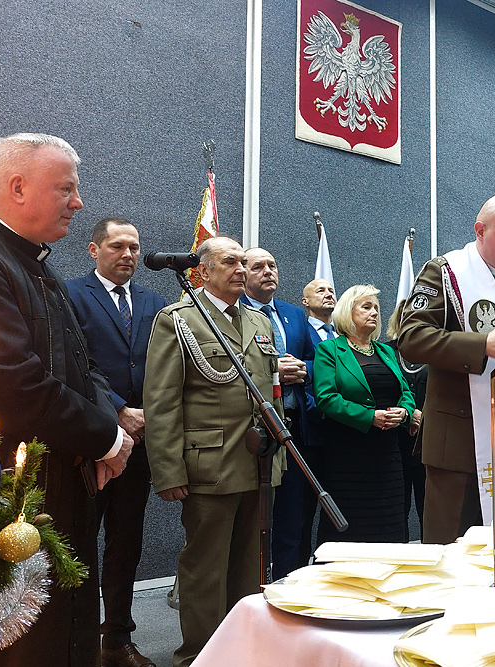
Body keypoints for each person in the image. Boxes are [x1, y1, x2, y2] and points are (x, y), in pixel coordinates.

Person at [0, 133, 133, 667]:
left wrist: (110, 423)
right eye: (66, 188)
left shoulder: (36, 263)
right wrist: (107, 439)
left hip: (60, 483)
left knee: (68, 628)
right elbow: (13, 385)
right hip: (11, 495)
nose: (78, 202)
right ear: (17, 187)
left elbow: (83, 367)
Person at [144, 236, 284, 667]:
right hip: (209, 464)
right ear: (202, 271)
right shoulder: (179, 320)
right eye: (230, 262)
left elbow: (271, 394)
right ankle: (199, 656)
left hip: (257, 465)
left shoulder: (259, 323)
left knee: (250, 566)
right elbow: (162, 400)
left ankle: (241, 650)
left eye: (244, 262)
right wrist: (168, 471)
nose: (241, 269)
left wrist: (277, 456)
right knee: (206, 569)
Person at [398, 194, 495, 544]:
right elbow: (410, 337)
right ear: (480, 230)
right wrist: (482, 345)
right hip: (457, 440)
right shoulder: (445, 271)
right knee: (450, 553)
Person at [66, 217, 166, 667]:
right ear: (94, 250)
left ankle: (117, 638)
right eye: (118, 246)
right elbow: (73, 361)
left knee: (127, 542)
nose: (128, 255)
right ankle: (80, 637)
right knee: (83, 539)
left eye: (135, 248)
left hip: (142, 444)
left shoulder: (154, 301)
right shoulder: (71, 295)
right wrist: (119, 408)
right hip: (92, 439)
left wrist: (147, 416)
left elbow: (164, 365)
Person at [313, 285, 416, 543]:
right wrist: (370, 416)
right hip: (348, 454)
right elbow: (326, 398)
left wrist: (404, 411)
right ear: (348, 311)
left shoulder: (386, 351)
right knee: (350, 526)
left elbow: (406, 391)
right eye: (367, 307)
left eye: (377, 309)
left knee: (390, 521)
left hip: (387, 454)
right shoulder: (330, 350)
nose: (375, 313)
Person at [241, 247, 317, 579]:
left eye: (272, 265)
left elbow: (319, 359)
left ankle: (291, 585)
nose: (268, 271)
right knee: (252, 518)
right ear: (243, 273)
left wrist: (305, 368)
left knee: (292, 516)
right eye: (258, 266)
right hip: (253, 432)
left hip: (294, 429)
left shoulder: (294, 315)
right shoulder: (233, 312)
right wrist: (274, 370)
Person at [387, 300, 427, 538]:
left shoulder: (438, 353)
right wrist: (408, 412)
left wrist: (425, 415)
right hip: (393, 442)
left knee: (430, 511)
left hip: (429, 444)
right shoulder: (385, 351)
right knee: (395, 511)